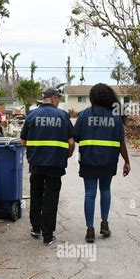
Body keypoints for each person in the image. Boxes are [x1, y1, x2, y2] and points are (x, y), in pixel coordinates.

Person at [74, 83, 131, 243]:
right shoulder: (115, 117)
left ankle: (90, 229)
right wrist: (127, 161)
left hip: (89, 160)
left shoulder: (84, 115)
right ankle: (104, 223)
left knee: (90, 193)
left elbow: (76, 136)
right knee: (105, 189)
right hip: (109, 160)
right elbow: (121, 142)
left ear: (93, 98)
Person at [20, 88, 75, 245]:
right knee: (51, 197)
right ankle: (48, 236)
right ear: (53, 98)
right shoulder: (63, 116)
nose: (58, 101)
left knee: (36, 194)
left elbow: (22, 141)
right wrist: (68, 154)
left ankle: (36, 228)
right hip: (56, 164)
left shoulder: (31, 115)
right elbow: (71, 142)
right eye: (58, 98)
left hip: (36, 163)